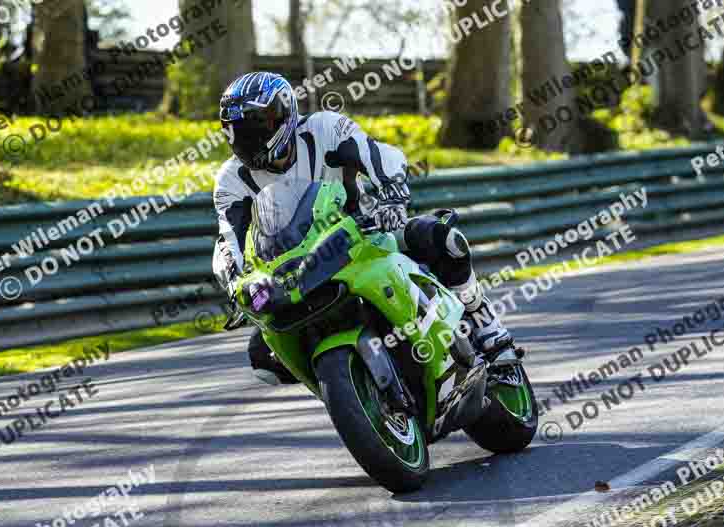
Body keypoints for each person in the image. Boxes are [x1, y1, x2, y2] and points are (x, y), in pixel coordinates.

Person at [211, 72, 512, 384]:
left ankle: (489, 330)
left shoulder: (324, 128)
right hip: (296, 273)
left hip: (365, 235)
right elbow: (229, 239)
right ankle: (355, 384)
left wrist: (392, 195)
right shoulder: (231, 179)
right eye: (236, 132)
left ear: (283, 113)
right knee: (264, 357)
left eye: (254, 127)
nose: (245, 140)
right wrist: (238, 284)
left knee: (443, 239)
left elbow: (380, 156)